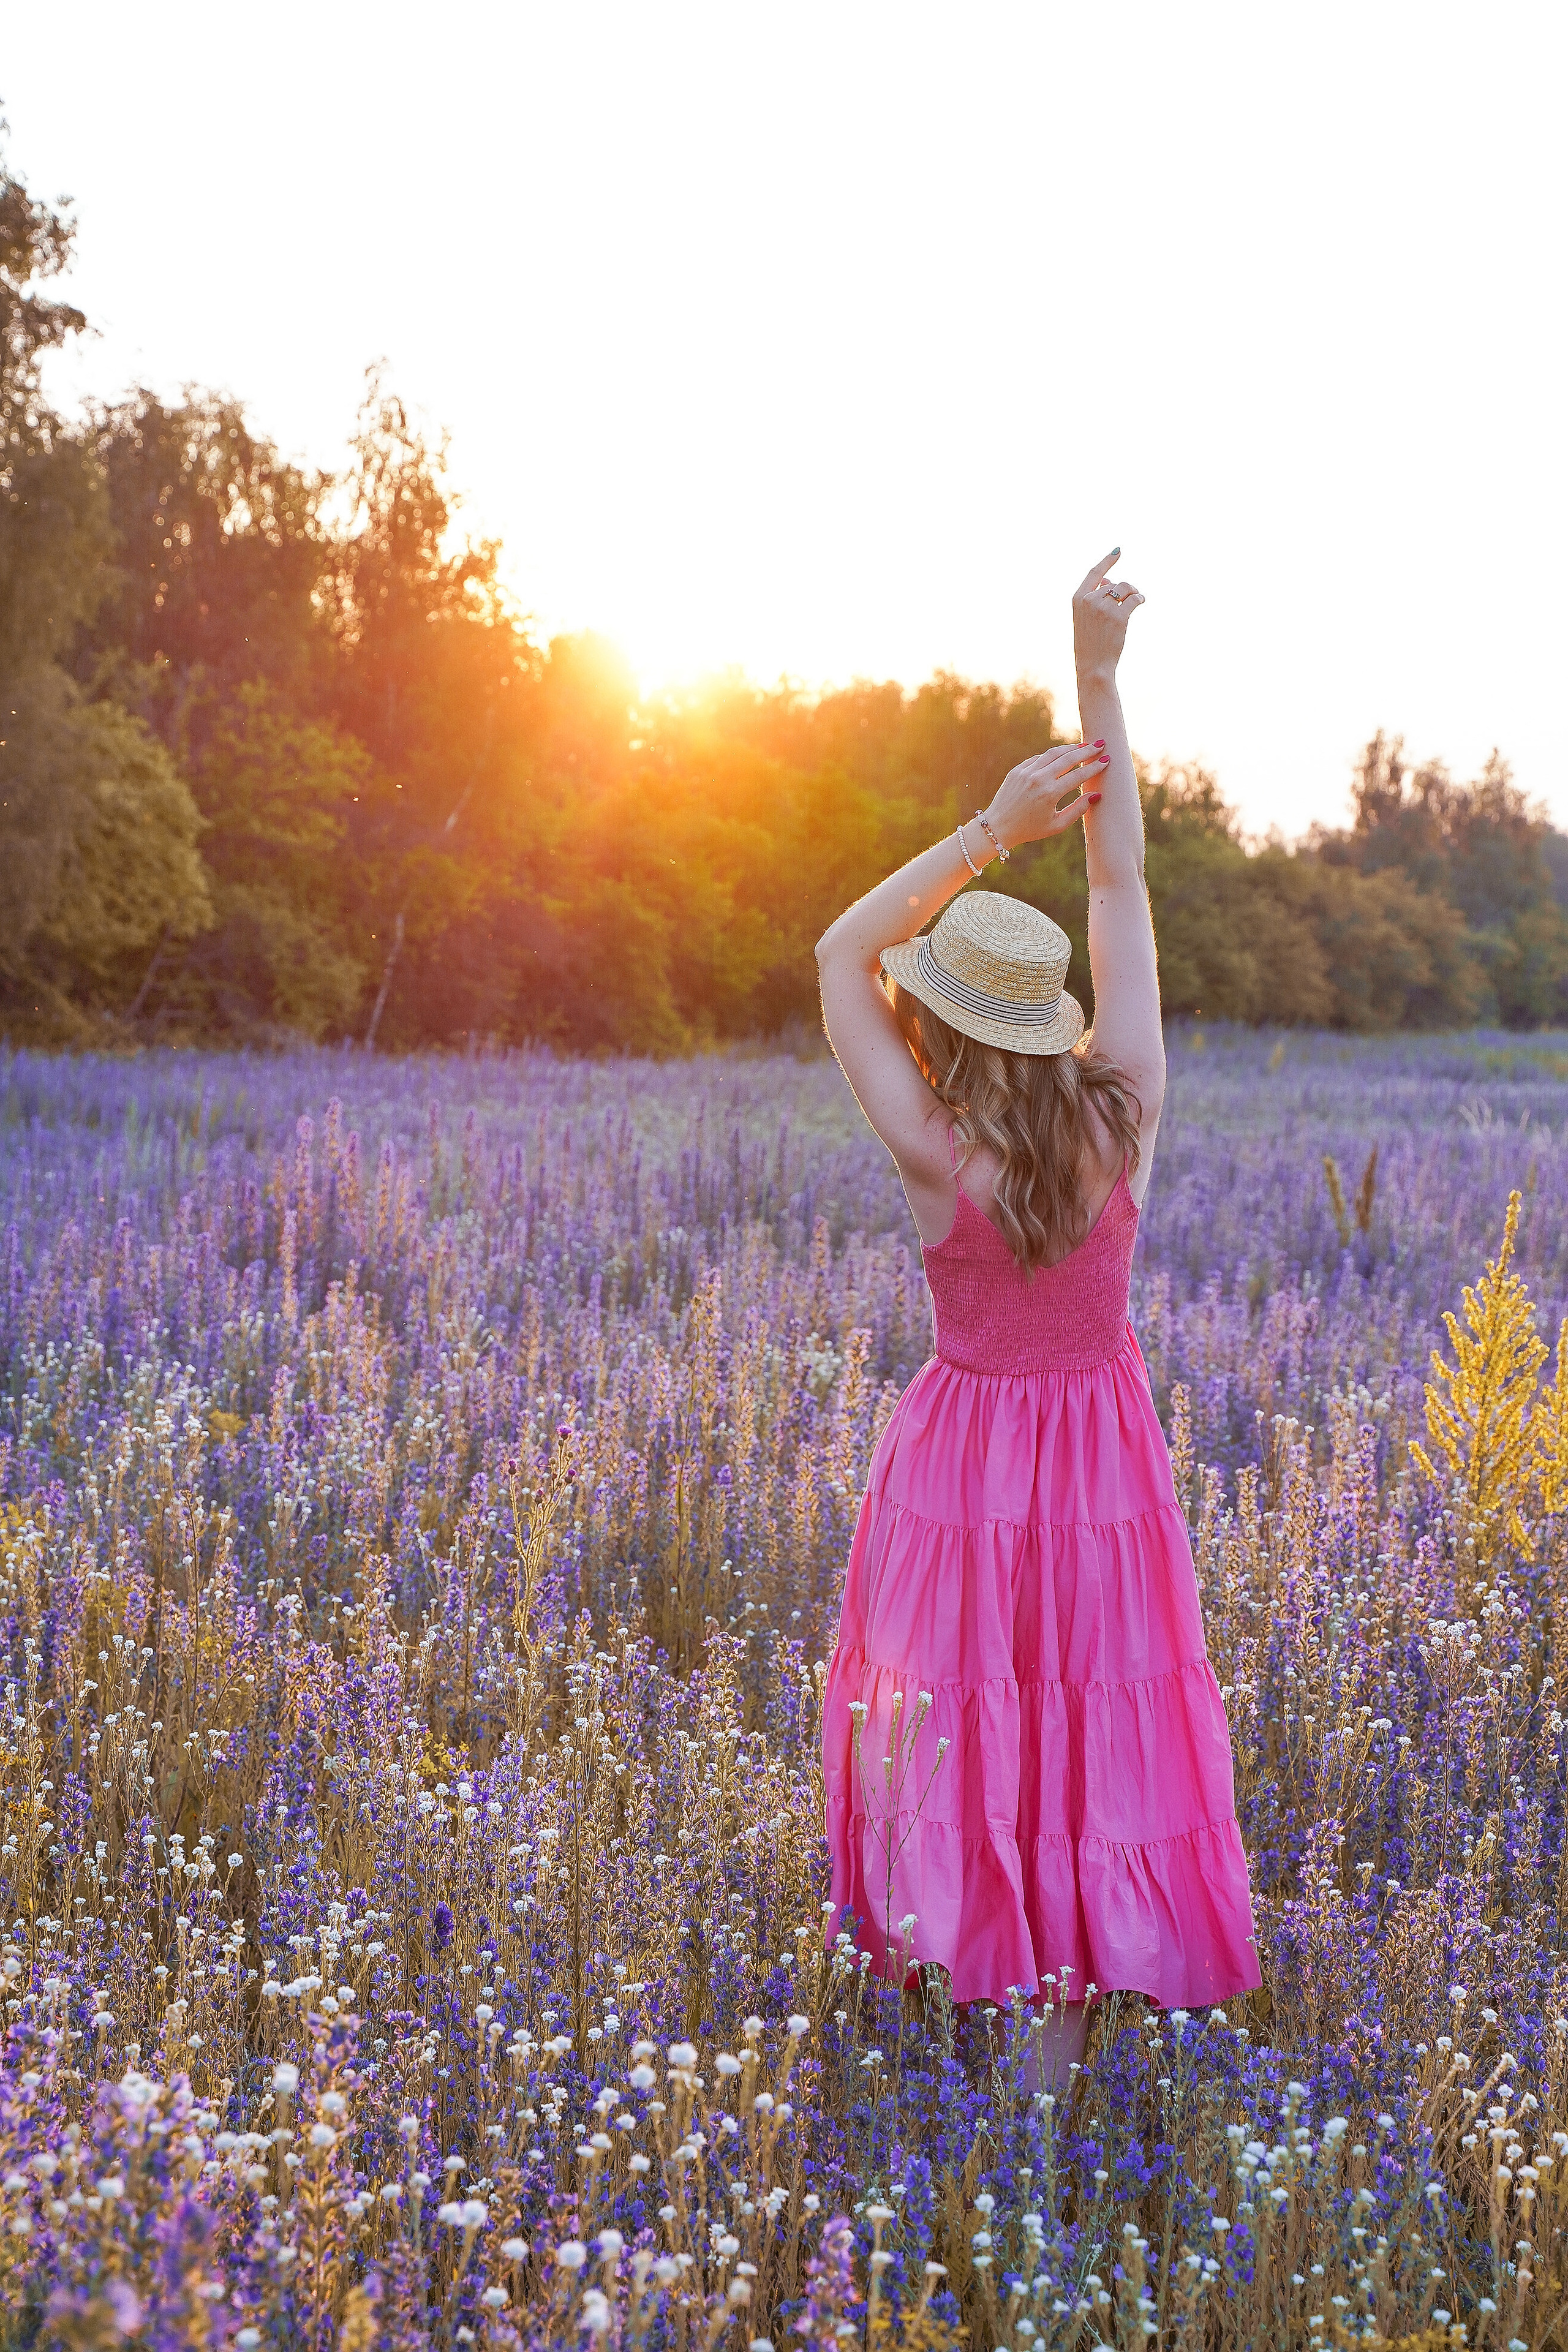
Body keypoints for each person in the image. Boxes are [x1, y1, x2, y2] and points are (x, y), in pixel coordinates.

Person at [814, 550, 1260, 2086]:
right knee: (1086, 1717)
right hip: (1099, 1458)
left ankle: (969, 1963)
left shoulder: (936, 1147)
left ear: (938, 1012)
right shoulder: (1122, 1115)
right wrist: (1099, 684)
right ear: (1051, 1015)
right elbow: (1123, 883)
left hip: (956, 1460)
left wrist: (985, 834)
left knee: (960, 1715)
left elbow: (830, 954)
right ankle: (1056, 2038)